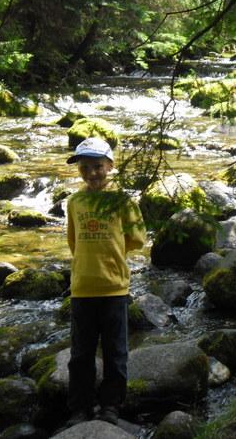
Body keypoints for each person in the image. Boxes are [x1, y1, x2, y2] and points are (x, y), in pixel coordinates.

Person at [65, 137, 146, 425]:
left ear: (110, 165)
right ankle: (80, 409)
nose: (92, 173)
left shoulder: (122, 200)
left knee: (116, 353)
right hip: (83, 289)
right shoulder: (74, 202)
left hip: (114, 287)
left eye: (98, 166)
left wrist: (111, 249)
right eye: (85, 167)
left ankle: (111, 407)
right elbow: (73, 241)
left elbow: (137, 238)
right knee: (80, 355)